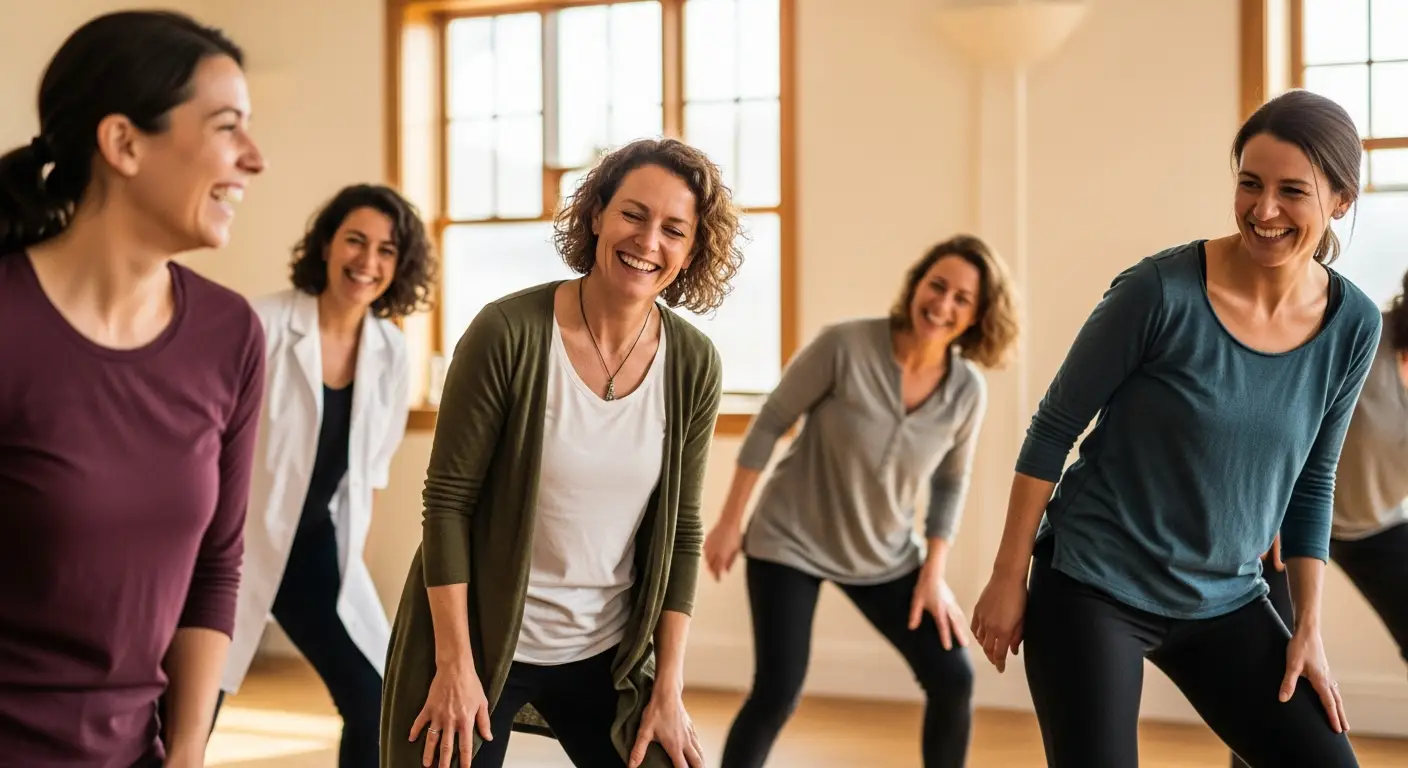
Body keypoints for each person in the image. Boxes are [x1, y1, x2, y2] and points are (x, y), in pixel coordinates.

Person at [969, 87, 1381, 768]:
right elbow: (1053, 428)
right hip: (1094, 585)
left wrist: (1309, 628)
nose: (1264, 210)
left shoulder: (1353, 324)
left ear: (1339, 200)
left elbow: (1314, 480)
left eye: (1292, 191)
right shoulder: (1159, 291)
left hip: (1227, 595)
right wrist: (1008, 576)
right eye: (1249, 184)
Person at [379, 136, 740, 768]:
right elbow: (448, 504)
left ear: (692, 249)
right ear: (597, 214)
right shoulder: (506, 334)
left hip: (608, 656)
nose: (648, 241)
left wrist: (669, 688)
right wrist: (454, 665)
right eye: (633, 213)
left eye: (674, 229)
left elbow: (682, 530)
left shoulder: (693, 364)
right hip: (483, 642)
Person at [0, 10, 266, 768]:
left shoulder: (230, 335)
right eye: (227, 127)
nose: (255, 159)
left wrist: (184, 753)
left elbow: (217, 563)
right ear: (122, 142)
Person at [703, 234, 1020, 768]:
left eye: (961, 298)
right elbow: (771, 422)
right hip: (789, 540)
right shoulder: (845, 346)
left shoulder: (967, 391)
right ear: (917, 283)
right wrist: (730, 522)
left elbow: (949, 483)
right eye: (936, 285)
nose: (942, 304)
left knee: (952, 677)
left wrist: (932, 571)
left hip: (885, 553)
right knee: (777, 691)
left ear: (978, 315)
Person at [218, 183, 437, 765]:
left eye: (386, 250)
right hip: (229, 547)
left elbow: (369, 475)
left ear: (401, 265)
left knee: (376, 698)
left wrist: (352, 563)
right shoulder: (259, 324)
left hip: (315, 548)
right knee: (194, 701)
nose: (368, 262)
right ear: (325, 246)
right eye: (355, 242)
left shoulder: (389, 350)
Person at [1229, 271, 1408, 767]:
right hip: (1290, 516)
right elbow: (1282, 410)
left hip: (1377, 522)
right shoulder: (1366, 332)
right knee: (1271, 670)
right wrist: (1263, 502)